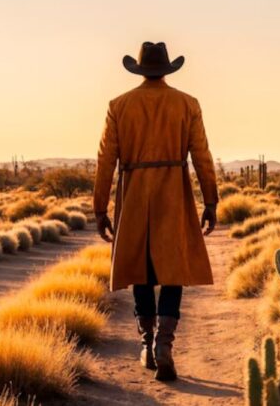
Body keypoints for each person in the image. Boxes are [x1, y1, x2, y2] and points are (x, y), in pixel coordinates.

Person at [93, 41, 218, 381]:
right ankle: (164, 344)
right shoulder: (187, 104)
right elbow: (202, 155)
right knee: (173, 270)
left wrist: (100, 208)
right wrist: (211, 201)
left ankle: (147, 343)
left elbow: (105, 160)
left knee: (141, 270)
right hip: (173, 192)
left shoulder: (119, 105)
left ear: (140, 69)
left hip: (134, 193)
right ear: (166, 69)